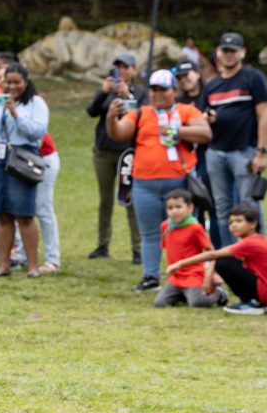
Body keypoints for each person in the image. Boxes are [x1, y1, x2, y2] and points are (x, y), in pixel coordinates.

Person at [107, 69, 212, 291]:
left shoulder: (186, 110)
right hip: (144, 183)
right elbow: (119, 133)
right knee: (150, 233)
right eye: (154, 90)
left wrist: (177, 129)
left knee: (184, 231)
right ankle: (151, 276)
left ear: (174, 90)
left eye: (163, 90)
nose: (158, 94)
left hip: (178, 184)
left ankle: (187, 275)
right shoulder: (141, 113)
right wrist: (111, 117)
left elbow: (205, 133)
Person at [0, 63, 50, 278]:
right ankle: (3, 264)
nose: (12, 86)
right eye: (8, 82)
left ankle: (33, 266)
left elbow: (37, 133)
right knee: (3, 214)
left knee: (24, 214)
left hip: (23, 159)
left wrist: (15, 113)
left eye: (17, 82)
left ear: (26, 83)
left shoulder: (36, 103)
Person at [203, 32, 267, 246]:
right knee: (223, 208)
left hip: (245, 151)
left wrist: (262, 151)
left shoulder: (253, 77)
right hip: (216, 153)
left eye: (233, 51)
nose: (228, 55)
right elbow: (203, 114)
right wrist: (207, 118)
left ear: (242, 52)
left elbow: (263, 114)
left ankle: (258, 255)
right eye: (225, 51)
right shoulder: (211, 85)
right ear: (218, 53)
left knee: (250, 206)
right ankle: (230, 259)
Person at [86, 53, 148, 262]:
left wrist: (128, 95)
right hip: (103, 151)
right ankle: (102, 245)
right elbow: (91, 112)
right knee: (105, 200)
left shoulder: (140, 93)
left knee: (130, 199)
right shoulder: (107, 92)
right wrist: (103, 93)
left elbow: (143, 116)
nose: (121, 70)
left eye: (125, 66)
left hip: (127, 152)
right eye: (118, 66)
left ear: (133, 69)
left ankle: (137, 249)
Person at [166, 203, 267, 315]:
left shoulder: (250, 243)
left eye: (238, 221)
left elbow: (212, 255)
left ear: (253, 223)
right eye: (231, 222)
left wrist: (180, 264)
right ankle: (254, 302)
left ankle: (252, 303)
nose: (233, 225)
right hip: (262, 288)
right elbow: (219, 253)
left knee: (224, 263)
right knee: (223, 260)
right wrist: (209, 275)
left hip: (264, 292)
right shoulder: (256, 240)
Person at [175, 61, 222, 247]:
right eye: (180, 77)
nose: (184, 79)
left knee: (213, 205)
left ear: (197, 73)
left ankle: (218, 255)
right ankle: (198, 256)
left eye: (187, 74)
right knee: (193, 208)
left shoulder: (210, 96)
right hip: (186, 159)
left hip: (208, 157)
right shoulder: (178, 102)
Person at [153, 189, 227, 308]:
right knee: (159, 303)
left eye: (178, 207)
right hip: (176, 277)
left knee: (198, 302)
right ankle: (183, 294)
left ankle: (219, 293)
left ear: (190, 208)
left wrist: (210, 274)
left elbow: (212, 252)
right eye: (170, 208)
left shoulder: (195, 228)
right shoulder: (165, 226)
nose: (174, 211)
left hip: (194, 275)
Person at [36, 133, 62, 273]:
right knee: (21, 209)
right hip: (21, 158)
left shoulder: (36, 110)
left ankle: (52, 260)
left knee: (43, 209)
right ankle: (21, 255)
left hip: (43, 159)